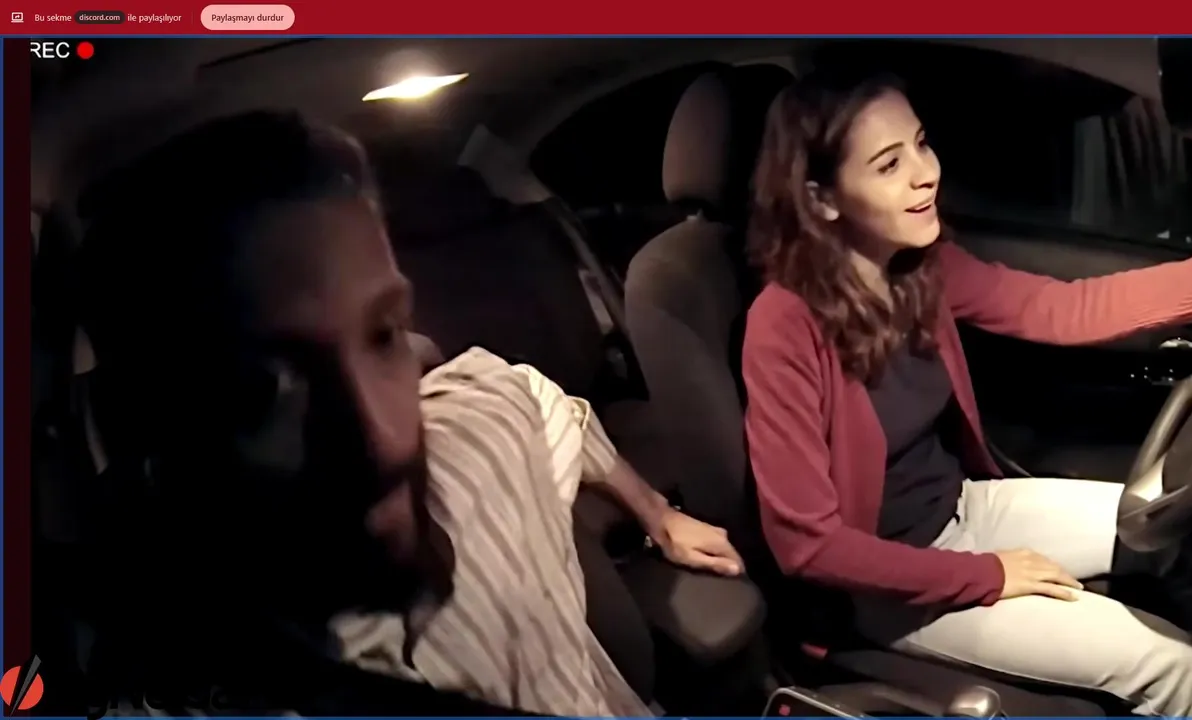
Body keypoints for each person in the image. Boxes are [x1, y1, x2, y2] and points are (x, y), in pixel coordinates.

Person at [76, 110, 740, 716]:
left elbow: (539, 398)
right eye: (258, 386)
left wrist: (660, 515)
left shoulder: (472, 443)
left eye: (383, 333)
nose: (382, 440)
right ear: (156, 442)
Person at [741, 71, 1192, 717]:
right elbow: (806, 545)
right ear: (822, 199)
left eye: (921, 144)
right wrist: (990, 574)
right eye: (889, 165)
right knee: (1169, 666)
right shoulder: (782, 324)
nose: (926, 174)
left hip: (965, 510)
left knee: (1176, 529)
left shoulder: (918, 267)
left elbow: (1064, 308)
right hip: (890, 585)